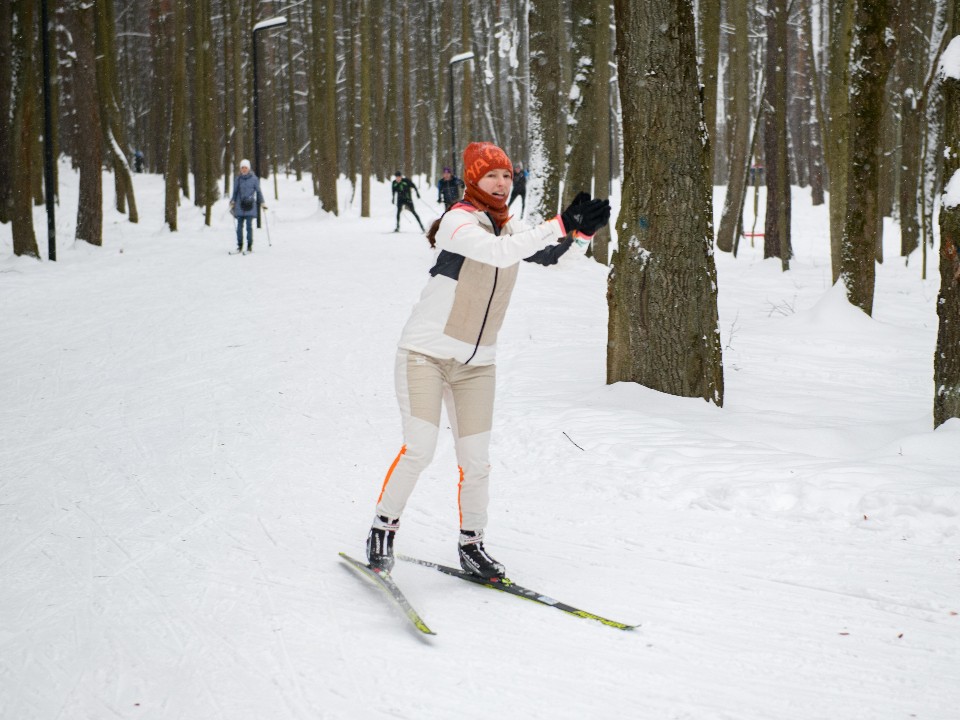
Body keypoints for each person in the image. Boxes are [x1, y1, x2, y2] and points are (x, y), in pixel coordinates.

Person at [365, 141, 610, 578]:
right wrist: (558, 223)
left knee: (476, 462)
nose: (501, 183)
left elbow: (552, 259)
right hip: (424, 356)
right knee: (420, 449)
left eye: (506, 175)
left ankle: (472, 544)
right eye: (491, 175)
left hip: (476, 367)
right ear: (473, 179)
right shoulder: (457, 221)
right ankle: (383, 527)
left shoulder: (510, 228)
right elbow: (497, 253)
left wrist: (580, 234)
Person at [230, 159, 265, 253]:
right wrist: (232, 201)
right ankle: (239, 245)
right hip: (239, 206)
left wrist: (262, 202)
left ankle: (249, 246)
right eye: (242, 168)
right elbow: (235, 192)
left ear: (248, 168)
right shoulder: (238, 179)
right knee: (239, 227)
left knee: (249, 226)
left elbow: (258, 192)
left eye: (245, 167)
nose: (244, 169)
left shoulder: (254, 179)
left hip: (250, 206)